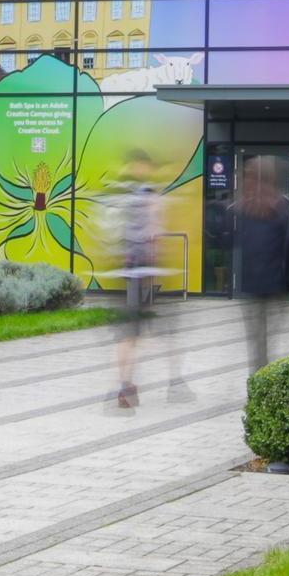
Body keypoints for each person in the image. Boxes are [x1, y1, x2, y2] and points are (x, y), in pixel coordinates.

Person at [98, 148, 188, 408]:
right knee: (160, 332)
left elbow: (109, 234)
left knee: (130, 334)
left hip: (128, 274)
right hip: (146, 273)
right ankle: (174, 384)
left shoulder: (121, 196)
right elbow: (156, 233)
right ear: (143, 167)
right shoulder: (150, 197)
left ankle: (126, 385)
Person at [232, 156, 289, 374]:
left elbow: (237, 240)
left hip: (251, 282)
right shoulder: (280, 206)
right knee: (273, 338)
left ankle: (257, 376)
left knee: (257, 341)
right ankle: (267, 379)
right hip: (275, 282)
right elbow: (287, 243)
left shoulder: (243, 207)